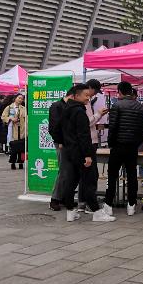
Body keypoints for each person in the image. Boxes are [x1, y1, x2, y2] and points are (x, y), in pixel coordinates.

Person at [60, 83, 115, 222]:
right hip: (81, 152)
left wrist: (63, 143)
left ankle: (70, 211)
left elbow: (56, 129)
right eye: (86, 95)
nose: (88, 98)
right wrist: (87, 155)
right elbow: (84, 136)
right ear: (76, 96)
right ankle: (96, 211)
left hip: (69, 151)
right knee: (89, 181)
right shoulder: (79, 111)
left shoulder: (65, 109)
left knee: (71, 181)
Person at [102, 81, 143, 217]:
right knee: (132, 175)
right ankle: (131, 205)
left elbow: (113, 127)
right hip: (132, 146)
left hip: (117, 146)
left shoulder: (117, 105)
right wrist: (137, 142)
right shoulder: (140, 107)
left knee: (112, 175)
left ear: (120, 91)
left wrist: (110, 143)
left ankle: (109, 204)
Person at [77, 79, 108, 212]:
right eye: (91, 93)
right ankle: (89, 204)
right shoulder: (82, 105)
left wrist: (99, 116)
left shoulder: (87, 103)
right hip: (88, 142)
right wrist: (98, 114)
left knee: (87, 174)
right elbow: (87, 123)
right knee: (90, 175)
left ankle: (83, 202)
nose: (91, 96)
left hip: (90, 141)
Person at [47, 87, 75, 212]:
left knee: (69, 171)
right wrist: (59, 141)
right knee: (63, 171)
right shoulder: (56, 106)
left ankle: (64, 197)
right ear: (72, 96)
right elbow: (54, 127)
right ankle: (55, 199)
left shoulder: (70, 107)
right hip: (61, 143)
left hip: (70, 143)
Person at [2, 94, 27, 170]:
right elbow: (3, 117)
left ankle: (21, 163)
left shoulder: (23, 108)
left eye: (22, 99)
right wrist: (11, 119)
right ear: (15, 98)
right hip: (13, 130)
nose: (20, 100)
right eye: (19, 98)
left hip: (22, 130)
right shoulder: (9, 107)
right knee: (13, 147)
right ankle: (12, 163)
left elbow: (26, 119)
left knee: (22, 148)